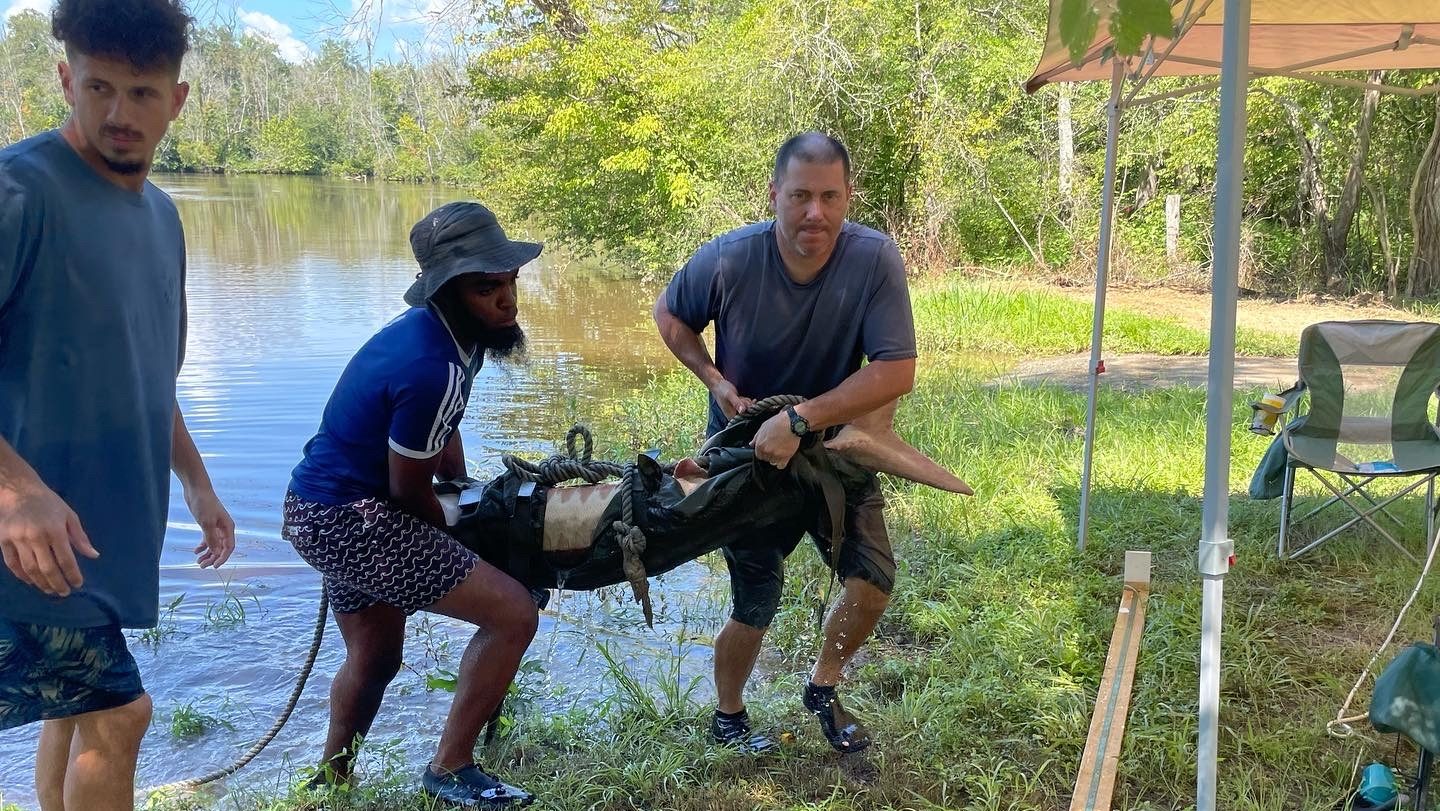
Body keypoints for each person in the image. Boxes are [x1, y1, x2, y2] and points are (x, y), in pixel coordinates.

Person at [0, 1, 237, 808]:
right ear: (66, 77)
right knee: (121, 712)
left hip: (100, 539)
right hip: (27, 544)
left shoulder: (163, 218)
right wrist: (16, 489)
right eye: (98, 87)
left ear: (178, 99)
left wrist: (199, 485)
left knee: (73, 718)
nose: (117, 114)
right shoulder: (18, 191)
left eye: (141, 93)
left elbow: (150, 376)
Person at [653, 131, 917, 755]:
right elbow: (670, 314)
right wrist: (714, 379)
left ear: (849, 197)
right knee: (756, 598)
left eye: (830, 197)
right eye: (800, 196)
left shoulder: (874, 258)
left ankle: (823, 685)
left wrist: (800, 420)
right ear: (774, 194)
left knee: (874, 579)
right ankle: (729, 714)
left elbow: (894, 369)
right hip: (745, 455)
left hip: (835, 447)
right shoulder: (729, 258)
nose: (814, 214)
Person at [282, 201, 540, 807]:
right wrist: (460, 540)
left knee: (374, 656)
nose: (507, 300)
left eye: (509, 283)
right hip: (351, 517)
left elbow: (440, 431)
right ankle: (450, 769)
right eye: (487, 288)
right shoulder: (430, 363)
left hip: (314, 507)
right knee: (514, 612)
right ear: (446, 292)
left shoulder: (458, 341)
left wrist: (465, 486)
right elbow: (407, 492)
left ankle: (332, 778)